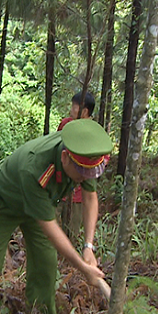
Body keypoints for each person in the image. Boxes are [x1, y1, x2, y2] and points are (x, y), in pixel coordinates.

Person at [0, 119, 112, 314]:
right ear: (64, 158)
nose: (83, 178)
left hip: (38, 207)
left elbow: (90, 197)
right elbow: (50, 228)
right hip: (1, 205)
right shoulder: (35, 167)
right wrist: (82, 267)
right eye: (80, 173)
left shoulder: (83, 154)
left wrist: (88, 246)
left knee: (46, 268)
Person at [57, 92, 96, 239]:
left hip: (78, 195)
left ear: (84, 111)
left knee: (70, 236)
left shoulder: (93, 133)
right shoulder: (65, 124)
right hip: (58, 188)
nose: (71, 110)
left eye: (74, 107)